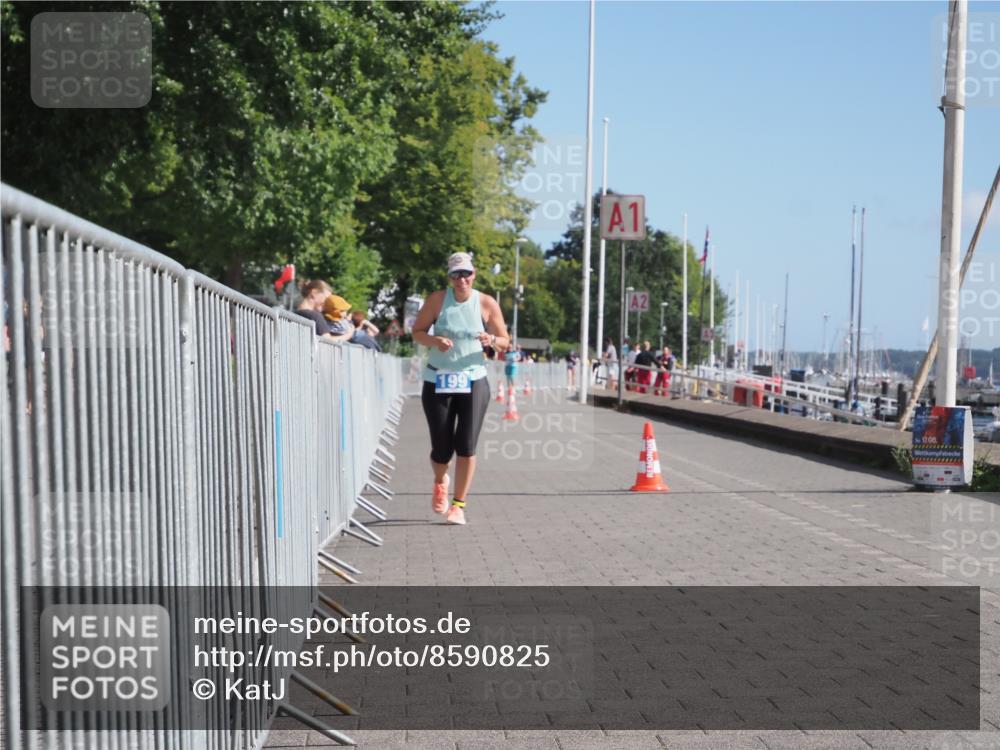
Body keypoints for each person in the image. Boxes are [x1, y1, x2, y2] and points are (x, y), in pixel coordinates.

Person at [411, 252, 510, 525]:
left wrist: (491, 338)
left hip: (473, 379)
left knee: (466, 445)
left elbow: (504, 340)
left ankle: (458, 505)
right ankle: (441, 479)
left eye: (466, 273)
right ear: (449, 277)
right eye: (456, 274)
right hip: (437, 379)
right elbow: (417, 332)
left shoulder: (486, 302)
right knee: (441, 449)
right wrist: (434, 341)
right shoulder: (437, 300)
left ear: (474, 274)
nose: (461, 279)